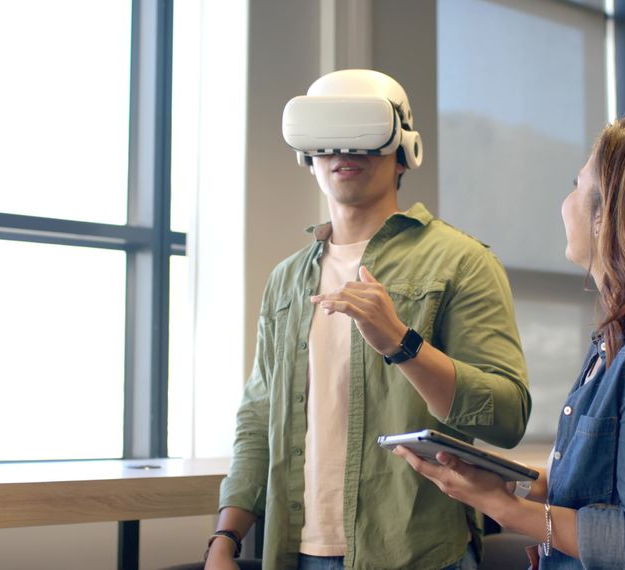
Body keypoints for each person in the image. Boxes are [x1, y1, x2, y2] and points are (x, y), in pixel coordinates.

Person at [395, 114, 625, 569]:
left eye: (576, 185)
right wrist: (514, 488)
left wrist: (509, 509)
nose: (565, 202)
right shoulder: (619, 344)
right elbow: (602, 487)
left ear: (607, 215)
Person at [204, 69, 531, 570]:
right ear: (307, 153)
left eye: (362, 134)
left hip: (418, 554)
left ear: (403, 151)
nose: (343, 151)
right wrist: (225, 539)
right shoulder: (287, 279)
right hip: (297, 552)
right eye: (327, 136)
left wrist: (403, 343)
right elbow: (258, 418)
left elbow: (508, 417)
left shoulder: (461, 261)